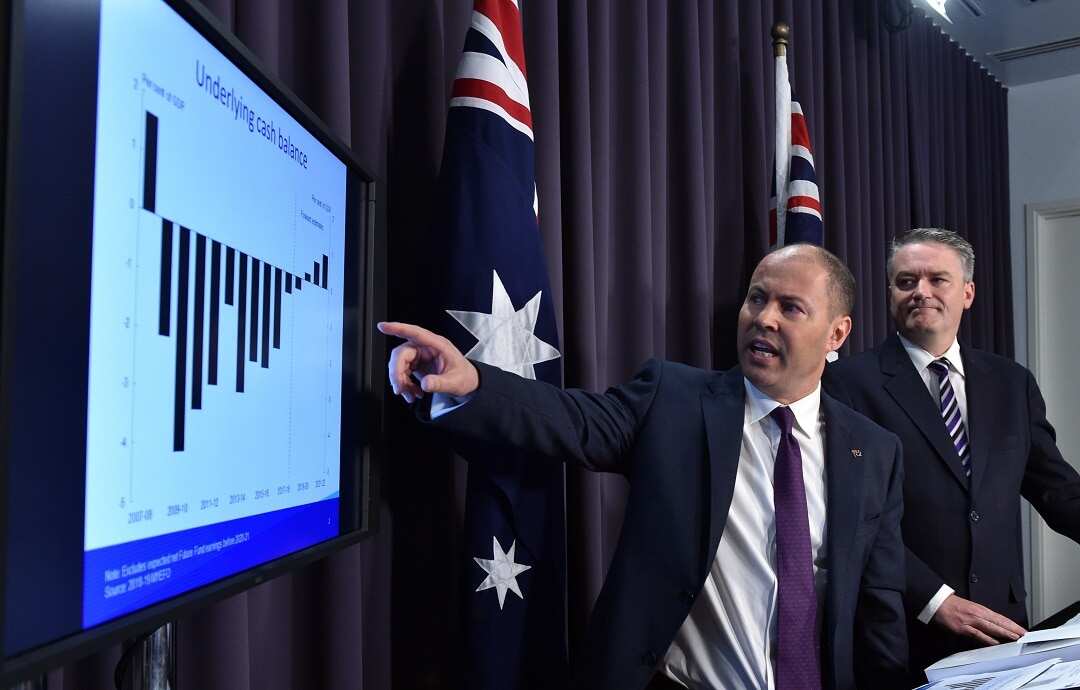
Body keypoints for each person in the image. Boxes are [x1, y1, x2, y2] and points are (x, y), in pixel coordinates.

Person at [381, 244, 907, 690]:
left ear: (837, 334)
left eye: (790, 308)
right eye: (756, 298)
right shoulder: (673, 399)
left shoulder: (875, 452)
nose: (763, 318)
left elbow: (879, 606)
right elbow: (573, 419)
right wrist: (473, 382)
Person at [824, 228, 1080, 679]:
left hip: (1002, 631)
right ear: (890, 293)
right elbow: (847, 518)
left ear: (968, 293)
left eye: (937, 279)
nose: (920, 291)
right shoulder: (845, 385)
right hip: (901, 628)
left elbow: (1057, 491)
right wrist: (935, 599)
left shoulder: (1011, 382)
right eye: (906, 281)